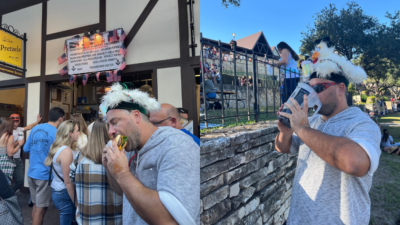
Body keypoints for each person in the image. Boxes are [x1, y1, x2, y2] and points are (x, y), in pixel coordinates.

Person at [275, 37, 381, 224]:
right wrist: (286, 131)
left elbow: (355, 162)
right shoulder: (312, 121)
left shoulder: (363, 123)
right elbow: (283, 148)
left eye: (319, 88)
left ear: (340, 89)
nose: (311, 94)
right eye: (309, 88)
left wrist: (301, 128)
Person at [100, 83, 199, 224]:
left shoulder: (176, 145)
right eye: (108, 125)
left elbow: (169, 221)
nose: (110, 132)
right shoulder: (129, 147)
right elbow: (122, 191)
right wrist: (111, 169)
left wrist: (122, 173)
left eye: (114, 122)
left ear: (136, 116)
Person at [70, 120, 123, 224]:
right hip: (115, 218)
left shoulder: (80, 157)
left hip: (87, 218)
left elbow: (71, 180)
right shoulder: (119, 157)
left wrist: (77, 204)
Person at [23, 107, 65, 225]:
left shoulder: (35, 128)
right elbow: (60, 156)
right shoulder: (57, 133)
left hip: (31, 172)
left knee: (36, 206)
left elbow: (26, 148)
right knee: (41, 208)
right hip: (44, 175)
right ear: (61, 119)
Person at [44, 120, 79, 225]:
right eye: (77, 131)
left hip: (59, 190)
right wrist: (76, 202)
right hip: (64, 192)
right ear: (70, 134)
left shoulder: (60, 148)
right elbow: (68, 181)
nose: (79, 133)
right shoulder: (66, 151)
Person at [10, 113, 42, 192]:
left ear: (19, 121)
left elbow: (29, 127)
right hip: (9, 158)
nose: (15, 123)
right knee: (7, 180)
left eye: (17, 121)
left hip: (17, 158)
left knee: (20, 180)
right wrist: (19, 142)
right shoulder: (7, 131)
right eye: (13, 121)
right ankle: (7, 197)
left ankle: (9, 194)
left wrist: (37, 121)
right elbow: (9, 146)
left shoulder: (20, 129)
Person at [0, 119, 23, 184]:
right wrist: (19, 145)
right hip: (5, 165)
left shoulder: (1, 135)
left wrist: (17, 142)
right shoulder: (9, 136)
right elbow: (10, 153)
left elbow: (6, 146)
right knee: (5, 186)